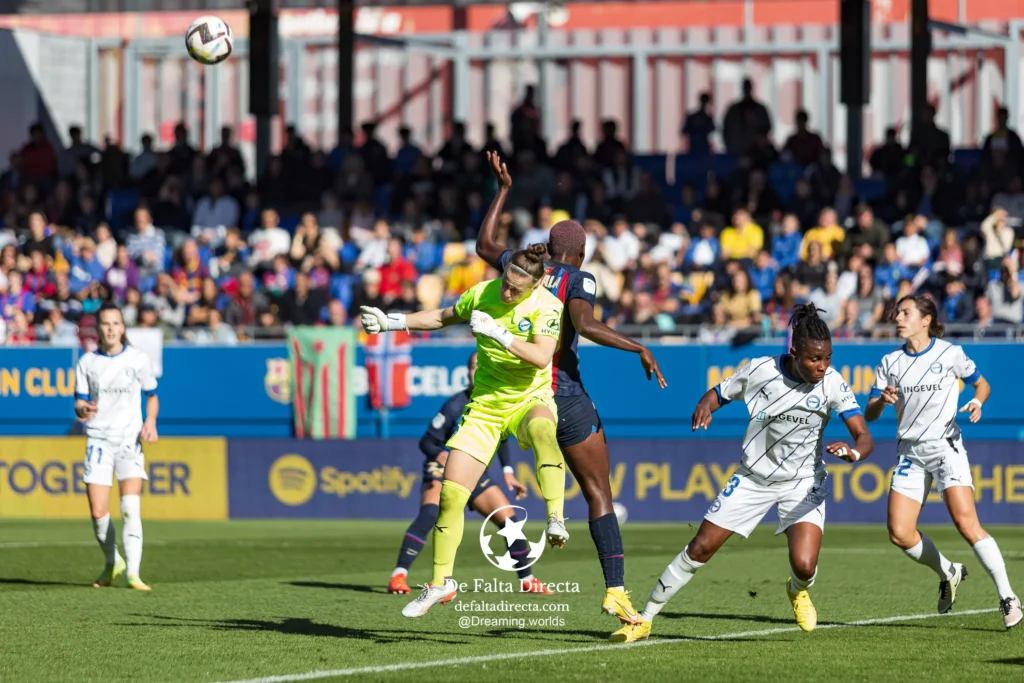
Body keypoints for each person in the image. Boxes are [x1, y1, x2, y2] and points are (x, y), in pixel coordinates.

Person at [476, 151, 667, 625]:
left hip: (517, 389)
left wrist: (502, 191)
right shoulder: (579, 277)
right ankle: (617, 592)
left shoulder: (526, 267)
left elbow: (483, 245)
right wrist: (637, 346)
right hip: (561, 390)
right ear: (580, 253)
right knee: (599, 491)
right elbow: (585, 322)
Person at [611, 304, 873, 642]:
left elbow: (863, 436)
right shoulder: (761, 369)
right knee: (701, 547)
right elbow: (718, 394)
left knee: (805, 565)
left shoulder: (833, 384)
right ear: (793, 352)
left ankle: (797, 590)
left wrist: (853, 452)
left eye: (827, 358)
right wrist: (705, 406)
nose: (822, 367)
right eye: (814, 360)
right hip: (752, 479)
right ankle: (643, 620)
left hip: (804, 482)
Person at [360, 243, 568, 618]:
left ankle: (555, 518)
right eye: (505, 283)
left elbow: (541, 356)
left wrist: (499, 334)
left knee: (542, 429)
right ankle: (441, 583)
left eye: (515, 290)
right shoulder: (483, 293)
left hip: (527, 398)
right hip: (485, 407)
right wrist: (392, 322)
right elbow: (441, 317)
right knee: (452, 495)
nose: (506, 292)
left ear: (536, 285)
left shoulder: (549, 306)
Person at [865, 295, 1022, 629]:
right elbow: (870, 412)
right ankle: (949, 571)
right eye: (897, 313)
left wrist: (978, 401)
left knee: (967, 525)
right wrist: (880, 399)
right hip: (910, 453)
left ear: (926, 319)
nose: (898, 318)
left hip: (945, 448)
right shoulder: (889, 362)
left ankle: (1008, 596)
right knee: (899, 532)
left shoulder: (950, 354)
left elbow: (983, 384)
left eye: (906, 313)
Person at [388, 352, 553, 596]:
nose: (477, 371)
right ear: (467, 372)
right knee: (431, 513)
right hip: (444, 470)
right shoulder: (456, 404)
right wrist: (440, 455)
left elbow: (502, 438)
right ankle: (398, 575)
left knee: (509, 520)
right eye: (474, 366)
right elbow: (427, 442)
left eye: (483, 366)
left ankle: (527, 579)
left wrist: (508, 471)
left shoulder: (496, 402)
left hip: (474, 473)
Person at [73, 301, 159, 591]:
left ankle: (134, 573)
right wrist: (83, 411)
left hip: (129, 441)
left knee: (130, 506)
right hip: (98, 440)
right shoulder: (87, 362)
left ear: (123, 328)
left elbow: (153, 395)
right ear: (98, 328)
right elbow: (79, 403)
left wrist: (151, 422)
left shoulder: (137, 359)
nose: (110, 329)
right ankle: (113, 561)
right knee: (98, 513)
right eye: (105, 324)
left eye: (115, 324)